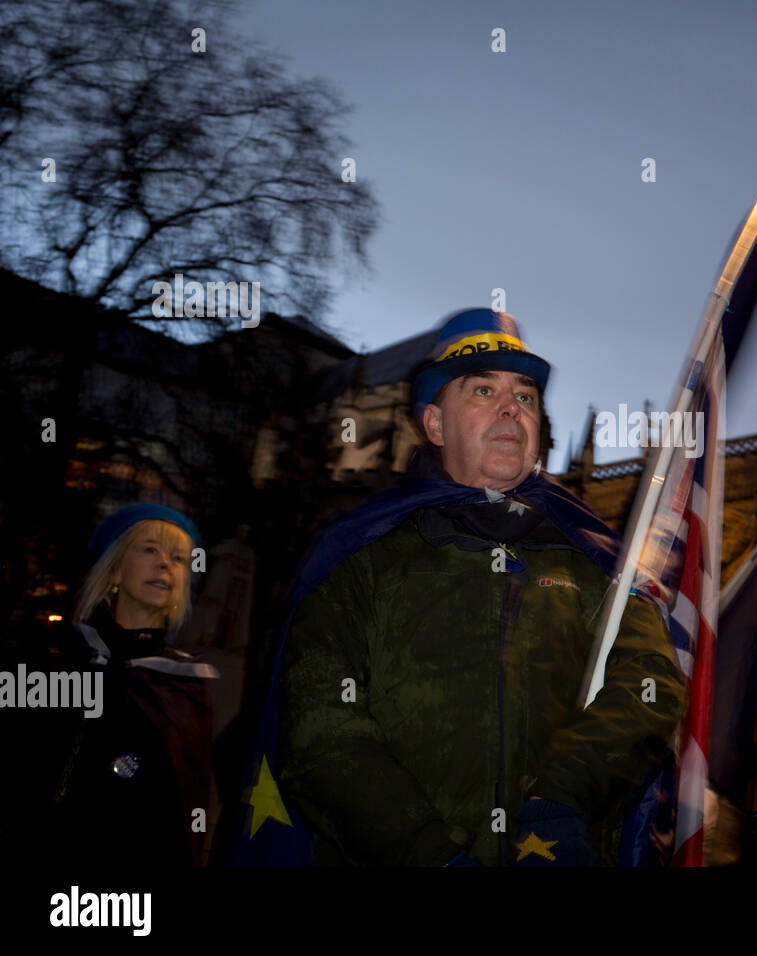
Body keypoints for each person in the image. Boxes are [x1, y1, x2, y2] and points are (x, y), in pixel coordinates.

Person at [269, 308, 686, 866]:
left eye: (526, 395)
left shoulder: (594, 560)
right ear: (435, 424)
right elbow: (319, 725)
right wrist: (423, 849)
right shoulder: (359, 556)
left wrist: (560, 801)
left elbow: (650, 683)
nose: (512, 407)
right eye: (483, 389)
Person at [1, 504, 218, 866]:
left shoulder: (187, 684)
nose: (166, 563)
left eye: (179, 558)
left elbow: (184, 807)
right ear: (114, 566)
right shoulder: (54, 656)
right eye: (150, 549)